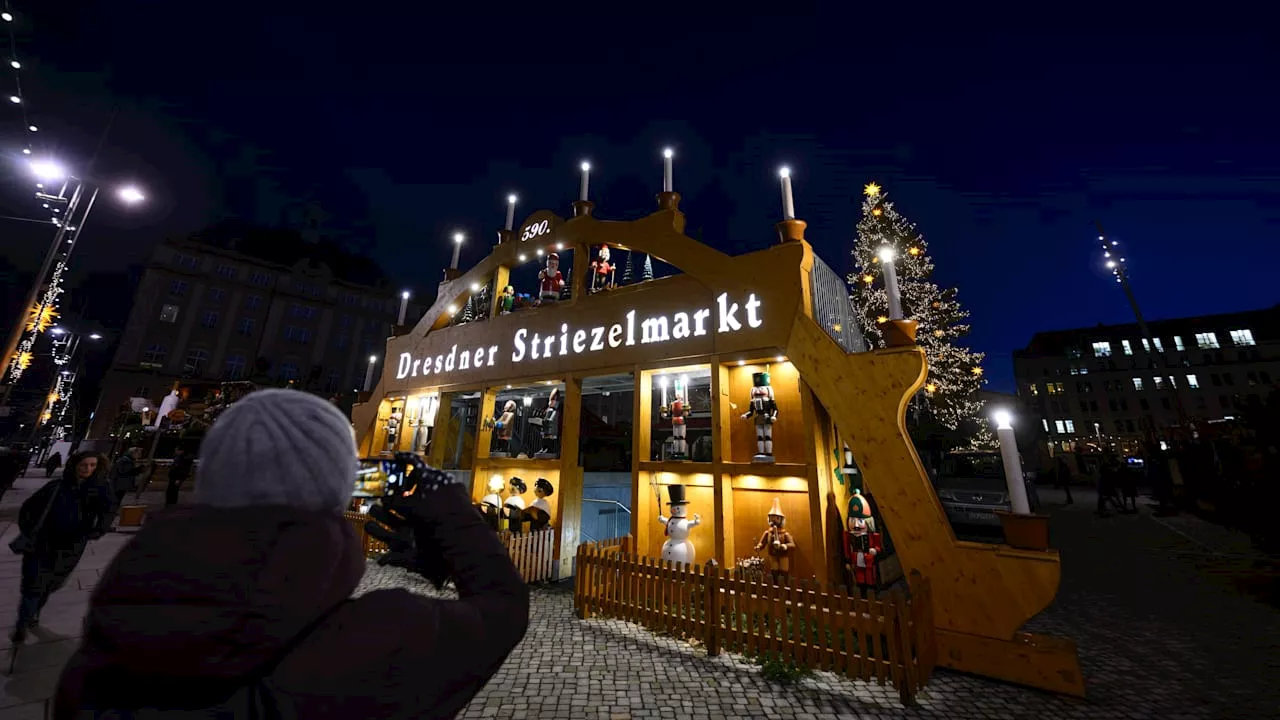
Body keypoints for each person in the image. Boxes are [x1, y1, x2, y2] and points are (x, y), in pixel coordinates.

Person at [55, 389, 529, 719]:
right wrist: (446, 507)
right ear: (338, 487)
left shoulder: (93, 664)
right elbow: (504, 609)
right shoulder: (375, 639)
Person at [11, 451, 114, 643]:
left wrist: (98, 530)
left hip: (71, 545)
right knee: (33, 583)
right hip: (43, 542)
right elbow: (29, 508)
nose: (88, 469)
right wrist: (29, 530)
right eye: (84, 465)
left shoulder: (101, 488)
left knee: (52, 582)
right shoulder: (57, 485)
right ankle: (22, 624)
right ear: (75, 464)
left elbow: (108, 511)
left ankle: (34, 612)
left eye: (92, 465)